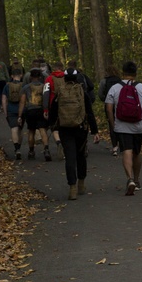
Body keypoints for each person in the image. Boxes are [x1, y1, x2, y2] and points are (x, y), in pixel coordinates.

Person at [105, 61, 142, 196]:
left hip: (122, 125)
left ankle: (130, 179)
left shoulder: (115, 88)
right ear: (135, 73)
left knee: (127, 150)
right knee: (137, 152)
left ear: (123, 72)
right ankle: (137, 180)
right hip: (139, 125)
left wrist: (112, 123)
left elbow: (109, 108)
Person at [49, 67, 100, 200]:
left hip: (65, 129)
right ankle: (81, 184)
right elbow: (89, 112)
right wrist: (95, 130)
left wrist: (52, 124)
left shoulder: (60, 92)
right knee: (81, 156)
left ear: (64, 78)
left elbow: (53, 111)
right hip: (81, 129)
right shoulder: (82, 91)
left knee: (70, 157)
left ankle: (72, 188)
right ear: (77, 78)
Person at [20, 69, 52, 161]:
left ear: (30, 77)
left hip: (30, 110)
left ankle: (31, 151)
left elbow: (22, 102)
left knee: (31, 131)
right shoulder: (44, 86)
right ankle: (46, 150)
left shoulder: (26, 87)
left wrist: (20, 115)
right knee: (43, 130)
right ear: (40, 77)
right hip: (41, 110)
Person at [42, 61, 66, 159]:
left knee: (54, 127)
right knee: (64, 126)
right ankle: (65, 145)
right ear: (62, 68)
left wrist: (45, 109)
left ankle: (58, 142)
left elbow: (46, 94)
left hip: (53, 106)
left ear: (54, 69)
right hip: (66, 105)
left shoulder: (49, 79)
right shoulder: (66, 77)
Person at [98, 64, 122, 157]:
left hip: (109, 105)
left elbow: (100, 94)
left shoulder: (104, 81)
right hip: (120, 105)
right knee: (121, 122)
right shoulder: (120, 81)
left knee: (112, 124)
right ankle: (122, 144)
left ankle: (115, 146)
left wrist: (106, 100)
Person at [2, 67, 26, 160]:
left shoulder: (7, 86)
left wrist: (5, 112)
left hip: (11, 110)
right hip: (22, 110)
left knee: (14, 129)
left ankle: (16, 149)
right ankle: (19, 146)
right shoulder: (24, 86)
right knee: (20, 129)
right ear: (21, 75)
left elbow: (4, 100)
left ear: (12, 76)